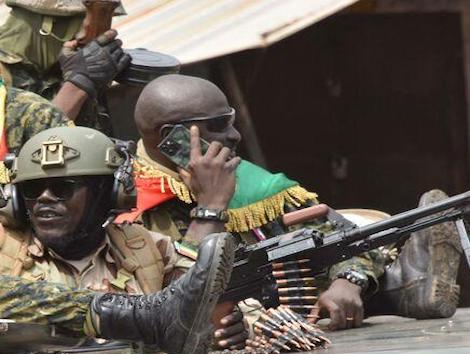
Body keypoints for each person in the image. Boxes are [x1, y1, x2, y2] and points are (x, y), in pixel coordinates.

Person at [117, 74, 462, 333]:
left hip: (296, 322)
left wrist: (349, 280)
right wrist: (210, 207)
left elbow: (342, 236)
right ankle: (402, 287)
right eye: (218, 125)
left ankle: (402, 288)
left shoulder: (245, 179)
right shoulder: (127, 202)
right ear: (170, 136)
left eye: (231, 120)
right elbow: (180, 300)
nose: (234, 136)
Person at [0, 125, 238, 353]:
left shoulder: (147, 249)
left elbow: (199, 301)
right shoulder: (5, 252)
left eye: (63, 188)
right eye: (31, 190)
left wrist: (231, 329)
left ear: (109, 194)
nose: (44, 199)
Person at [0, 0, 131, 150]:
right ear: (48, 26)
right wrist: (77, 86)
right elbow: (32, 155)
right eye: (89, 23)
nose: (95, 36)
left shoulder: (71, 65)